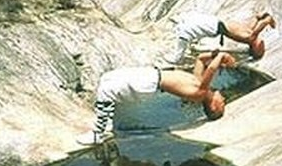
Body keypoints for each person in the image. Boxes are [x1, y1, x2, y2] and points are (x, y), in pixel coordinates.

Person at [76, 50, 236, 146]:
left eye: (222, 103)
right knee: (108, 78)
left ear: (213, 105)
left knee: (108, 90)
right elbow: (201, 59)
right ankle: (107, 123)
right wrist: (216, 54)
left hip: (150, 83)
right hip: (151, 74)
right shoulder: (200, 82)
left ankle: (99, 132)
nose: (224, 99)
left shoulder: (199, 93)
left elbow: (212, 69)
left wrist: (221, 57)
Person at [166, 10, 276, 65]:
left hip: (221, 26)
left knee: (191, 28)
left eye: (260, 49)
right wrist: (267, 20)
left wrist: (261, 19)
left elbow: (256, 27)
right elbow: (258, 27)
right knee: (192, 25)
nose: (262, 45)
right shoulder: (250, 37)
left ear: (255, 48)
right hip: (220, 26)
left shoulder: (249, 36)